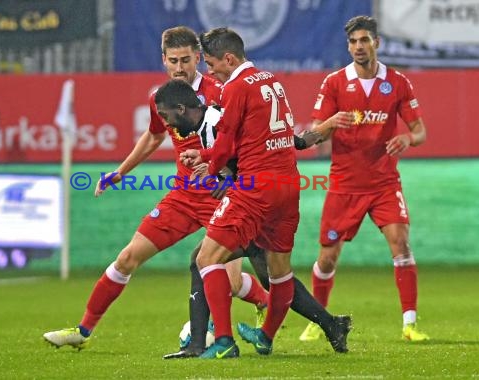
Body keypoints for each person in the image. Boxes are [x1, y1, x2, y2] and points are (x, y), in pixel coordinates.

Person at [42, 26, 268, 350]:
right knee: (127, 258)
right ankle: (82, 331)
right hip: (183, 197)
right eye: (173, 60)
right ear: (163, 59)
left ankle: (260, 304)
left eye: (186, 60)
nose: (180, 68)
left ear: (198, 59)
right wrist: (120, 171)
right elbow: (153, 136)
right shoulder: (159, 98)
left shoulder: (221, 91)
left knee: (229, 281)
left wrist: (234, 178)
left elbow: (246, 141)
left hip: (223, 197)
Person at [155, 79, 352, 359]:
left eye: (166, 117)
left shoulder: (215, 124)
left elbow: (242, 159)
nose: (168, 125)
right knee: (275, 275)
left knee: (204, 260)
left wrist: (221, 176)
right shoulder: (213, 120)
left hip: (256, 203)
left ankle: (208, 342)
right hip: (268, 198)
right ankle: (331, 325)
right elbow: (292, 142)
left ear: (181, 108)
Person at [298, 15, 430, 343]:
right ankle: (318, 319)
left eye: (364, 40)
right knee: (327, 257)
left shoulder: (398, 82)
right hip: (344, 184)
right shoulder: (334, 83)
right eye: (354, 42)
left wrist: (407, 140)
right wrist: (330, 123)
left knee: (400, 243)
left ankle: (410, 324)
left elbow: (420, 131)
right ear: (348, 46)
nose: (359, 46)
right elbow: (313, 135)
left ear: (376, 43)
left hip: (385, 182)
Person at [178, 27, 306, 358]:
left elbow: (224, 145)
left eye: (210, 63)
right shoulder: (271, 80)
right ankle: (265, 337)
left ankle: (222, 341)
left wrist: (206, 161)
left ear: (229, 59)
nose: (210, 71)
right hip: (289, 185)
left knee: (206, 258)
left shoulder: (234, 87)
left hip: (255, 187)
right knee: (279, 272)